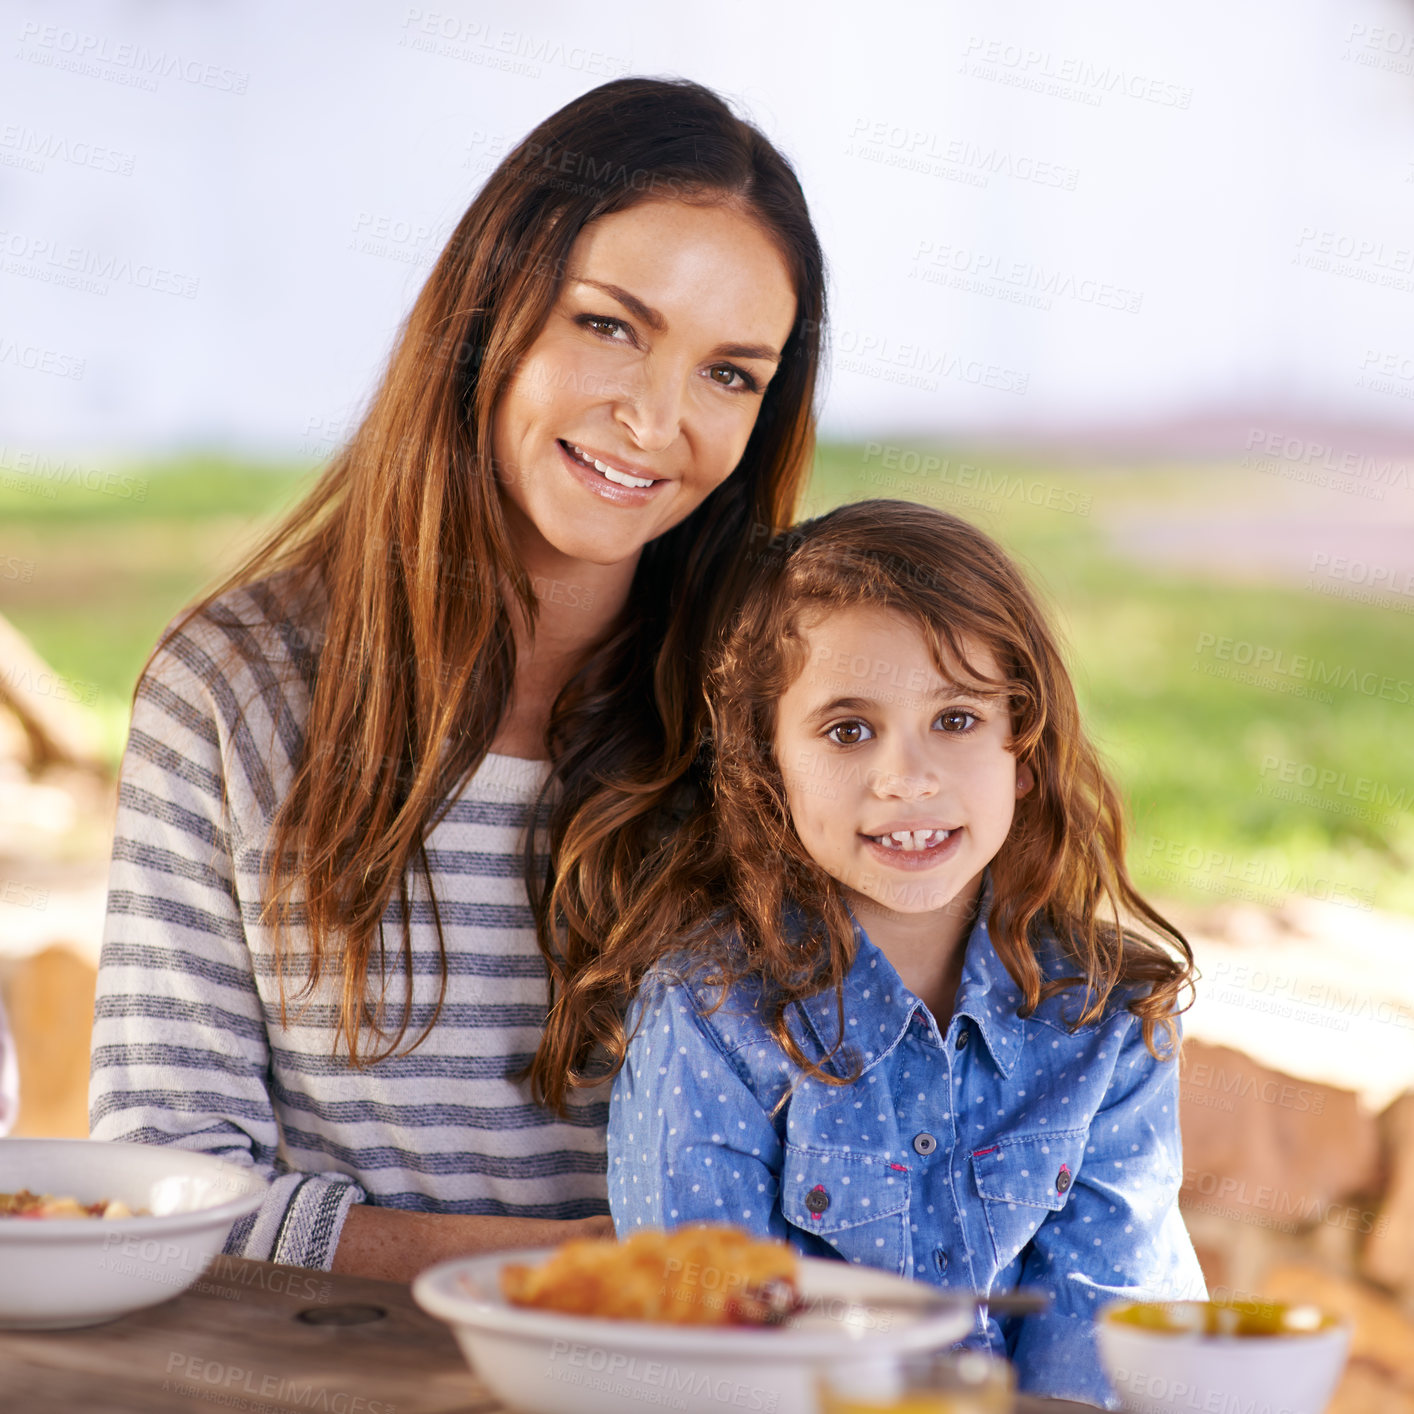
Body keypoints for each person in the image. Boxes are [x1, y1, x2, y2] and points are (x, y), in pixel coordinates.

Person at [88, 76, 825, 1281]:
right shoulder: (228, 693)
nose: (653, 418)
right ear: (492, 310)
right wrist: (587, 1265)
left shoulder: (787, 711)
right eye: (609, 325)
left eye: (729, 373)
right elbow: (168, 1193)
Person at [604, 500, 1207, 1407]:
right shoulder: (710, 1015)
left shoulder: (1107, 1016)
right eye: (848, 730)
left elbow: (1104, 1339)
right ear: (769, 766)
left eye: (956, 720)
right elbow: (705, 1343)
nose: (908, 777)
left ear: (1025, 752)